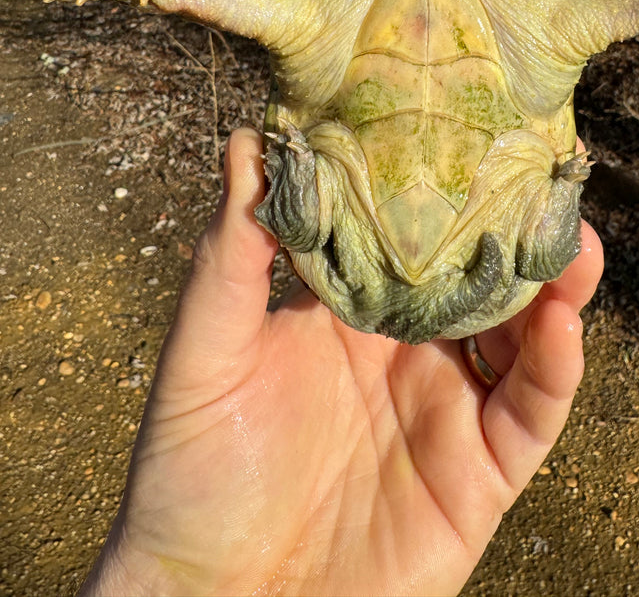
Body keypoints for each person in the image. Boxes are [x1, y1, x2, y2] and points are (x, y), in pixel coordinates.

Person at [79, 128, 603, 597]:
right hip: (469, 188)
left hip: (358, 187)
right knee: (543, 260)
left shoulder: (345, 270)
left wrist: (166, 579)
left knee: (539, 259)